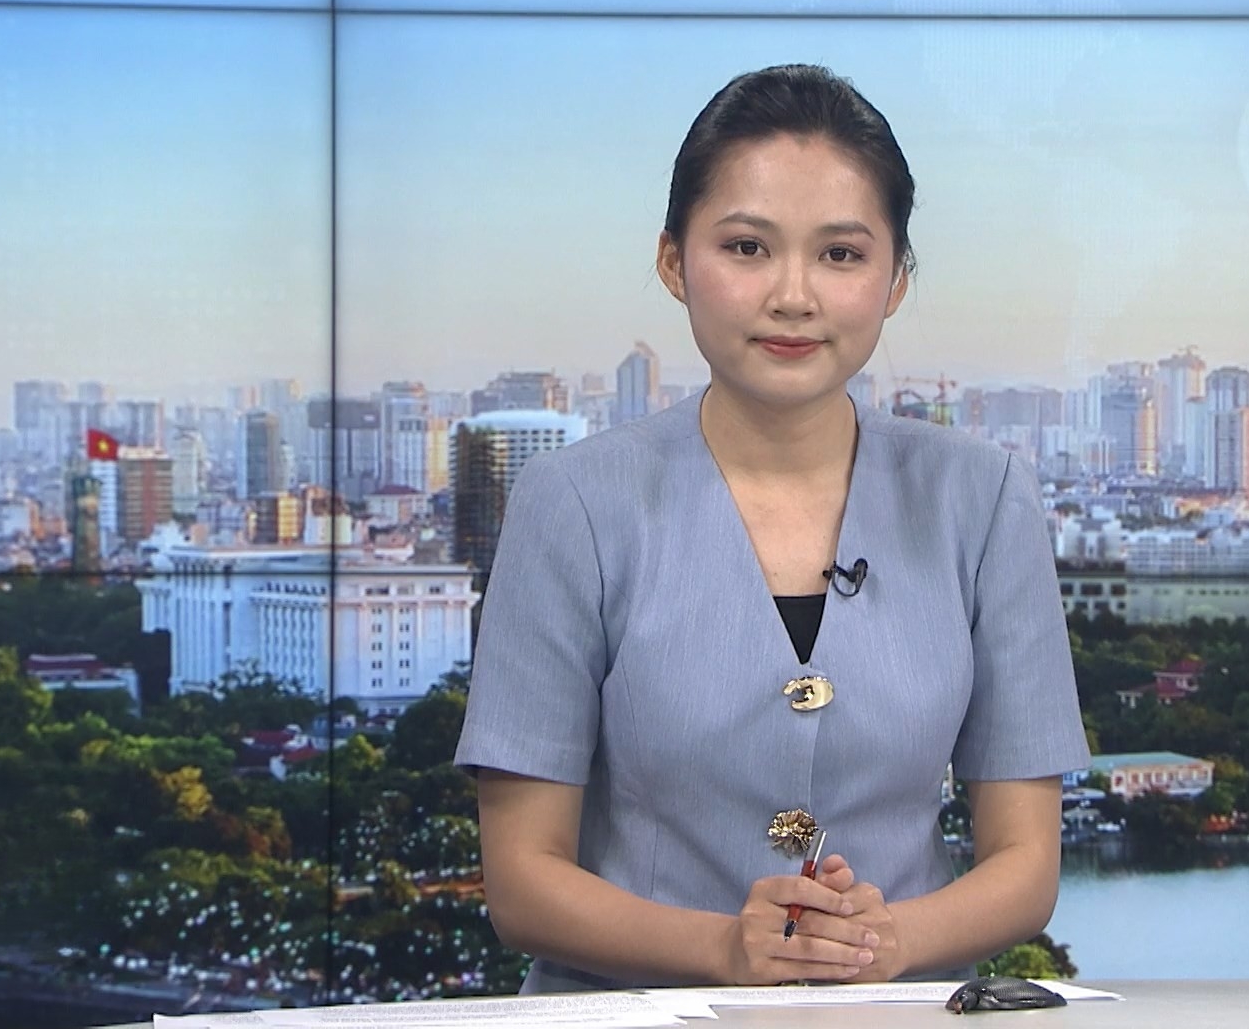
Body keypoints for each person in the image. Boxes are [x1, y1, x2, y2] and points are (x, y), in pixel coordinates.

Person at [453, 63, 1089, 994]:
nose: (793, 295)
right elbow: (522, 882)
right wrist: (724, 950)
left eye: (841, 255)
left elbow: (1026, 864)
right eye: (747, 247)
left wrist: (885, 941)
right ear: (674, 262)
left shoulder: (984, 497)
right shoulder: (574, 502)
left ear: (896, 280)